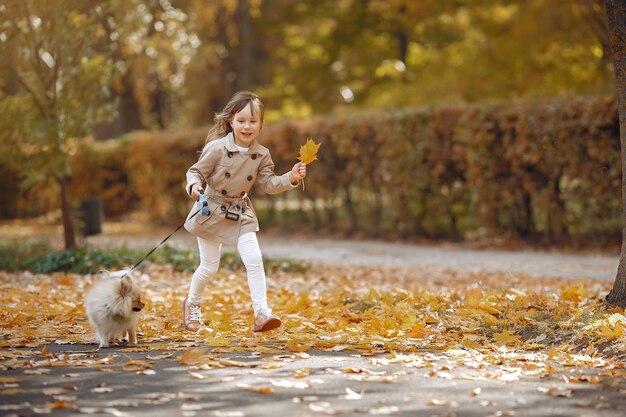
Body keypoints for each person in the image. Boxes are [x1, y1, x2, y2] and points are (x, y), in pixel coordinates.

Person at [182, 91, 306, 333]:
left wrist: (290, 177)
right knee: (209, 267)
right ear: (231, 121)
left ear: (260, 124)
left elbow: (268, 183)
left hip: (240, 211)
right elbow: (195, 172)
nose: (247, 126)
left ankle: (261, 312)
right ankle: (192, 304)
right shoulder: (216, 148)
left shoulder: (261, 154)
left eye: (252, 121)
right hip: (211, 209)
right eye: (241, 121)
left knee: (254, 260)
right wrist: (195, 187)